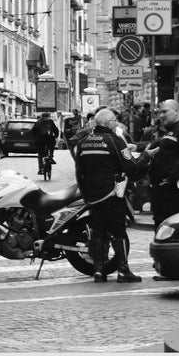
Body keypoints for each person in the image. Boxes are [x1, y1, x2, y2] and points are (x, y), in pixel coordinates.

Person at [72, 109, 142, 283]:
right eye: (115, 121)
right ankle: (123, 270)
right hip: (112, 194)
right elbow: (130, 166)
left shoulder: (84, 142)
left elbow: (79, 171)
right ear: (108, 123)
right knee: (118, 232)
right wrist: (146, 156)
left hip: (92, 196)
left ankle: (98, 271)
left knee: (97, 232)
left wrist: (86, 195)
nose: (116, 123)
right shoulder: (114, 140)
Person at [143, 99, 179, 228]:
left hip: (175, 188)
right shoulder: (172, 130)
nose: (161, 115)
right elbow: (158, 144)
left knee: (172, 224)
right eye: (159, 112)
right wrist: (136, 147)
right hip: (164, 188)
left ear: (176, 111)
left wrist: (170, 179)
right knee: (161, 222)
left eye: (164, 111)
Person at [32, 112, 59, 178]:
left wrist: (35, 138)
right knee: (51, 147)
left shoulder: (38, 122)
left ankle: (41, 169)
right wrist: (56, 136)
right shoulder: (50, 121)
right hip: (50, 139)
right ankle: (50, 157)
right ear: (48, 116)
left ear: (42, 116)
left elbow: (33, 131)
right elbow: (56, 130)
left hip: (40, 141)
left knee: (40, 154)